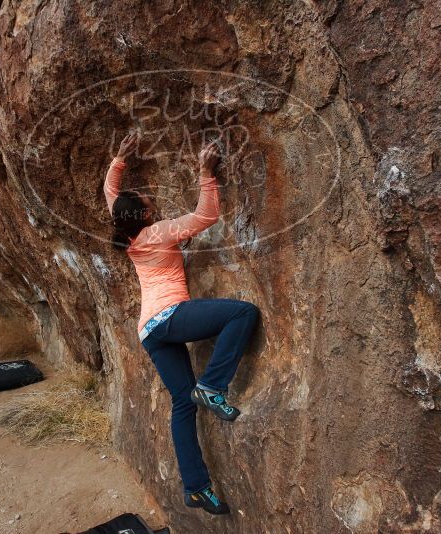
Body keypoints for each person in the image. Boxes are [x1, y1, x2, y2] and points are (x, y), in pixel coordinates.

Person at [104, 131, 259, 515]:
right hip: (169, 317)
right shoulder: (157, 233)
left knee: (181, 403)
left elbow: (111, 194)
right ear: (144, 214)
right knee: (243, 313)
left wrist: (119, 159)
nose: (150, 198)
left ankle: (196, 487)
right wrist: (206, 171)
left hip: (149, 331)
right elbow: (206, 216)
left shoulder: (127, 229)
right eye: (146, 200)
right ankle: (212, 386)